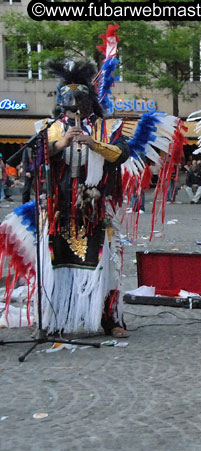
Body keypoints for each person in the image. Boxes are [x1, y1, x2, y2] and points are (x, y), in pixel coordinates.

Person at [41, 60, 131, 338]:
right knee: (55, 265)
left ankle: (109, 320)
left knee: (104, 266)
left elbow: (121, 153)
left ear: (90, 103)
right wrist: (61, 143)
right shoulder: (52, 128)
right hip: (61, 207)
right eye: (70, 102)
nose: (75, 107)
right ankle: (55, 320)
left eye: (80, 101)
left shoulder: (106, 127)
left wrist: (94, 144)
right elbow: (36, 160)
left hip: (93, 206)